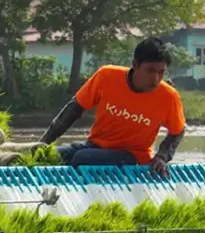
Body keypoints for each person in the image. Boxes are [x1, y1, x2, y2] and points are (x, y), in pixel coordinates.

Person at [39, 37, 186, 176]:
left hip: (132, 156)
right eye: (150, 71)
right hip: (95, 146)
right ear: (135, 65)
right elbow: (74, 109)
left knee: (83, 158)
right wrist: (42, 144)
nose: (155, 79)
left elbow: (178, 131)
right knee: (46, 157)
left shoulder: (169, 97)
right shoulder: (106, 76)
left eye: (161, 72)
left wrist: (161, 157)